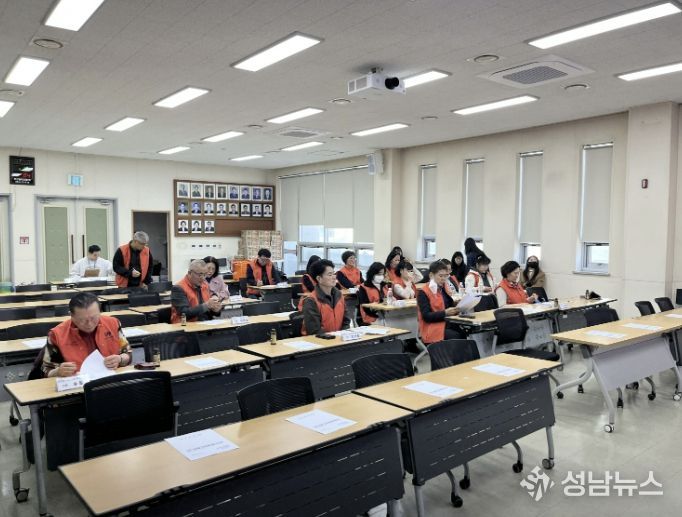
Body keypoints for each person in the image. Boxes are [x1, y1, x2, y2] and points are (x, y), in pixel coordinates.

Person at [42, 293, 131, 377]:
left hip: (110, 379)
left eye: (94, 318)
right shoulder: (56, 335)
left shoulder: (113, 324)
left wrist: (120, 359)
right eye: (82, 320)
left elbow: (128, 353)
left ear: (100, 311)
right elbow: (46, 370)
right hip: (77, 383)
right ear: (71, 316)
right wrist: (58, 372)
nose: (89, 324)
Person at [417, 261, 462, 345]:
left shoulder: (443, 288)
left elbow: (448, 306)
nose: (443, 279)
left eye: (445, 276)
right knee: (455, 336)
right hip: (432, 327)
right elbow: (426, 316)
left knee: (465, 331)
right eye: (440, 276)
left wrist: (457, 307)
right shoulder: (423, 292)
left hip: (446, 323)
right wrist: (445, 313)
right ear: (431, 275)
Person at [302, 259, 349, 335]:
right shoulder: (311, 301)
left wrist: (343, 334)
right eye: (330, 275)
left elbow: (346, 321)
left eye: (334, 273)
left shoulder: (339, 295)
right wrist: (333, 338)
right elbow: (314, 330)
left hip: (338, 339)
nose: (334, 277)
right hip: (320, 340)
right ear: (319, 279)